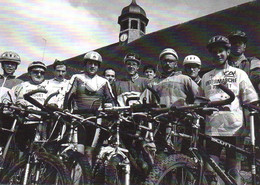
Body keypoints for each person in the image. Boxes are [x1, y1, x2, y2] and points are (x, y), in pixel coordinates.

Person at [201, 35, 258, 184]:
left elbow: (250, 101)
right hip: (212, 129)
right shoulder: (206, 77)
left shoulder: (240, 74)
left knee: (233, 171)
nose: (218, 54)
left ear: (227, 52)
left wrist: (247, 128)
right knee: (210, 171)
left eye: (221, 51)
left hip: (235, 129)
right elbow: (199, 101)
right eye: (214, 52)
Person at [64, 51, 115, 152]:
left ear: (98, 66)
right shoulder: (77, 78)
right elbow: (68, 97)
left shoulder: (103, 82)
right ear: (85, 64)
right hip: (78, 119)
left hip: (96, 120)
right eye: (90, 63)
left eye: (95, 64)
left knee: (90, 151)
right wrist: (66, 110)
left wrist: (109, 110)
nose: (92, 66)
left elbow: (111, 100)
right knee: (79, 151)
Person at [12, 61, 51, 147]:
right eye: (35, 72)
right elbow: (10, 98)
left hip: (43, 123)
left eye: (42, 72)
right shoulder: (22, 86)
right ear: (29, 73)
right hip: (25, 122)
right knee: (21, 148)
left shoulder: (49, 86)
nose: (39, 75)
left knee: (40, 150)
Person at [0, 51, 23, 151]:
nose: (10, 66)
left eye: (13, 64)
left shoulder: (19, 83)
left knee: (5, 143)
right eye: (7, 63)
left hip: (7, 116)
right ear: (2, 65)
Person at [228, 30, 260, 95]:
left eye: (240, 42)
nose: (237, 45)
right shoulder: (224, 64)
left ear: (244, 46)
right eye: (234, 43)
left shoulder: (254, 61)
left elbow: (256, 79)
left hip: (249, 101)